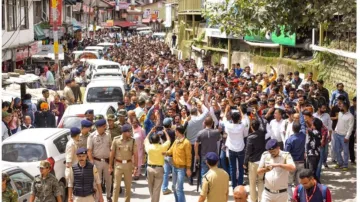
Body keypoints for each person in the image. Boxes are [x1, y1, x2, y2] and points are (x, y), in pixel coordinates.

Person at [109, 124, 138, 202]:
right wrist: (110, 166)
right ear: (124, 132)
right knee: (116, 186)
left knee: (128, 187)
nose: (130, 133)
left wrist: (136, 167)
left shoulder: (133, 140)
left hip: (128, 165)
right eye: (129, 131)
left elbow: (135, 155)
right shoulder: (116, 140)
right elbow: (112, 154)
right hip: (118, 165)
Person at [163, 125, 192, 202]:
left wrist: (188, 169)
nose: (174, 132)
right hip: (174, 167)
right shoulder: (176, 141)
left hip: (181, 169)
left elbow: (189, 157)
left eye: (175, 131)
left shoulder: (186, 143)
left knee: (179, 188)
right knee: (174, 187)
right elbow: (171, 151)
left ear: (178, 132)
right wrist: (165, 153)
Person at [87, 119, 112, 201]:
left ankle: (108, 196)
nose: (105, 127)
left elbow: (111, 147)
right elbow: (89, 151)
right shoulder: (91, 136)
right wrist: (92, 162)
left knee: (108, 179)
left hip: (107, 161)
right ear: (98, 127)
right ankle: (98, 198)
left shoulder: (108, 135)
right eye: (103, 126)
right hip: (97, 161)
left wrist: (111, 162)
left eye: (105, 126)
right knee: (97, 181)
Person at [222, 105, 246, 189]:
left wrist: (226, 110)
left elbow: (224, 119)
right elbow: (244, 119)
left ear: (231, 119)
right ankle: (239, 185)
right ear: (239, 118)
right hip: (240, 149)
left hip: (231, 149)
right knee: (240, 168)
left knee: (233, 168)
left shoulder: (228, 126)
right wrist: (240, 110)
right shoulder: (242, 126)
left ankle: (233, 186)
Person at [144, 127, 171, 202]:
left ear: (151, 141)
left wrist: (150, 132)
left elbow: (145, 139)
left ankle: (153, 200)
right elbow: (169, 140)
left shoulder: (149, 147)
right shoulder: (162, 147)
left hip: (150, 168)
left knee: (151, 187)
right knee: (157, 189)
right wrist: (165, 132)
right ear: (159, 140)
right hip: (159, 169)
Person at [185, 102, 209, 184]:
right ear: (196, 112)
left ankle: (190, 179)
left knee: (190, 161)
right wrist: (200, 102)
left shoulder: (186, 120)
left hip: (189, 143)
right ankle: (200, 179)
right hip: (199, 143)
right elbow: (206, 110)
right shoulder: (199, 119)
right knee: (201, 160)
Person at [243, 120, 266, 202]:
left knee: (252, 182)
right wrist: (256, 112)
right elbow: (263, 124)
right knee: (260, 181)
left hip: (253, 162)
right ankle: (261, 199)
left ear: (251, 127)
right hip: (262, 162)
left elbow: (248, 151)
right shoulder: (262, 134)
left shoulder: (250, 137)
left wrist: (245, 162)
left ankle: (253, 200)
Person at [195, 117, 221, 185]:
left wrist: (196, 154)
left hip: (204, 156)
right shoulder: (216, 132)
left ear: (204, 123)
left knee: (204, 173)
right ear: (212, 123)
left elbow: (196, 144)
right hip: (214, 156)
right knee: (214, 172)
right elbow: (218, 139)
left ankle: (203, 188)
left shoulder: (200, 133)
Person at [284, 121, 306, 200]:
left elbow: (286, 152)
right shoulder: (303, 136)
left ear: (292, 129)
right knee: (299, 183)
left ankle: (290, 198)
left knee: (289, 183)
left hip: (292, 163)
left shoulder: (290, 139)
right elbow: (303, 125)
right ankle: (299, 198)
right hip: (301, 162)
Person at [334, 101, 354, 170]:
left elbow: (350, 128)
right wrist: (336, 130)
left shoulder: (350, 116)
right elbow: (338, 122)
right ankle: (340, 163)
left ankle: (345, 165)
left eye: (341, 106)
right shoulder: (339, 113)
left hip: (344, 136)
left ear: (345, 107)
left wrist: (347, 137)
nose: (339, 107)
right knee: (337, 150)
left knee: (345, 151)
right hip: (337, 134)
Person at [161, 117, 176, 195]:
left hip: (165, 154)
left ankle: (164, 188)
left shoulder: (162, 132)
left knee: (166, 173)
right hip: (172, 154)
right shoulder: (173, 132)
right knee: (174, 172)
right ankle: (174, 187)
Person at [349, 96, 356, 164]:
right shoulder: (351, 108)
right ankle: (352, 159)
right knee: (351, 144)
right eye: (354, 102)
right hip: (352, 128)